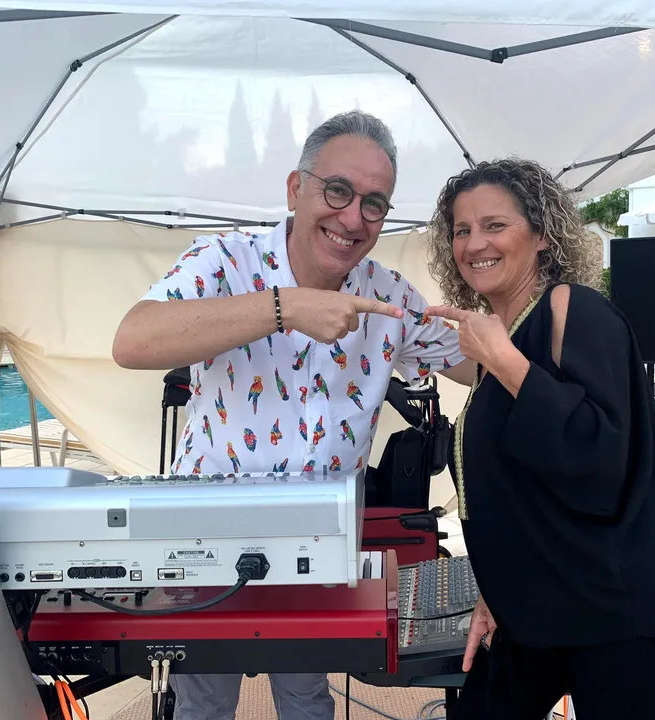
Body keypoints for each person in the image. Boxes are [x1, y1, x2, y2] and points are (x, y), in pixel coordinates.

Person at [112, 110, 474, 720]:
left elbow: (475, 364)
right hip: (206, 540)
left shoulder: (387, 293)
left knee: (306, 693)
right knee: (204, 699)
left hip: (319, 540)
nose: (352, 218)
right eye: (337, 191)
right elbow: (132, 341)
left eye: (374, 204)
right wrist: (284, 307)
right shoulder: (225, 260)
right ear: (295, 189)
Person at [421, 158, 655, 720]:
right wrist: (496, 591)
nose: (474, 243)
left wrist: (503, 360)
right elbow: (526, 494)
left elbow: (599, 460)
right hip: (543, 604)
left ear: (542, 234)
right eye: (461, 230)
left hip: (627, 615)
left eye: (494, 225)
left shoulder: (576, 310)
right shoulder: (505, 341)